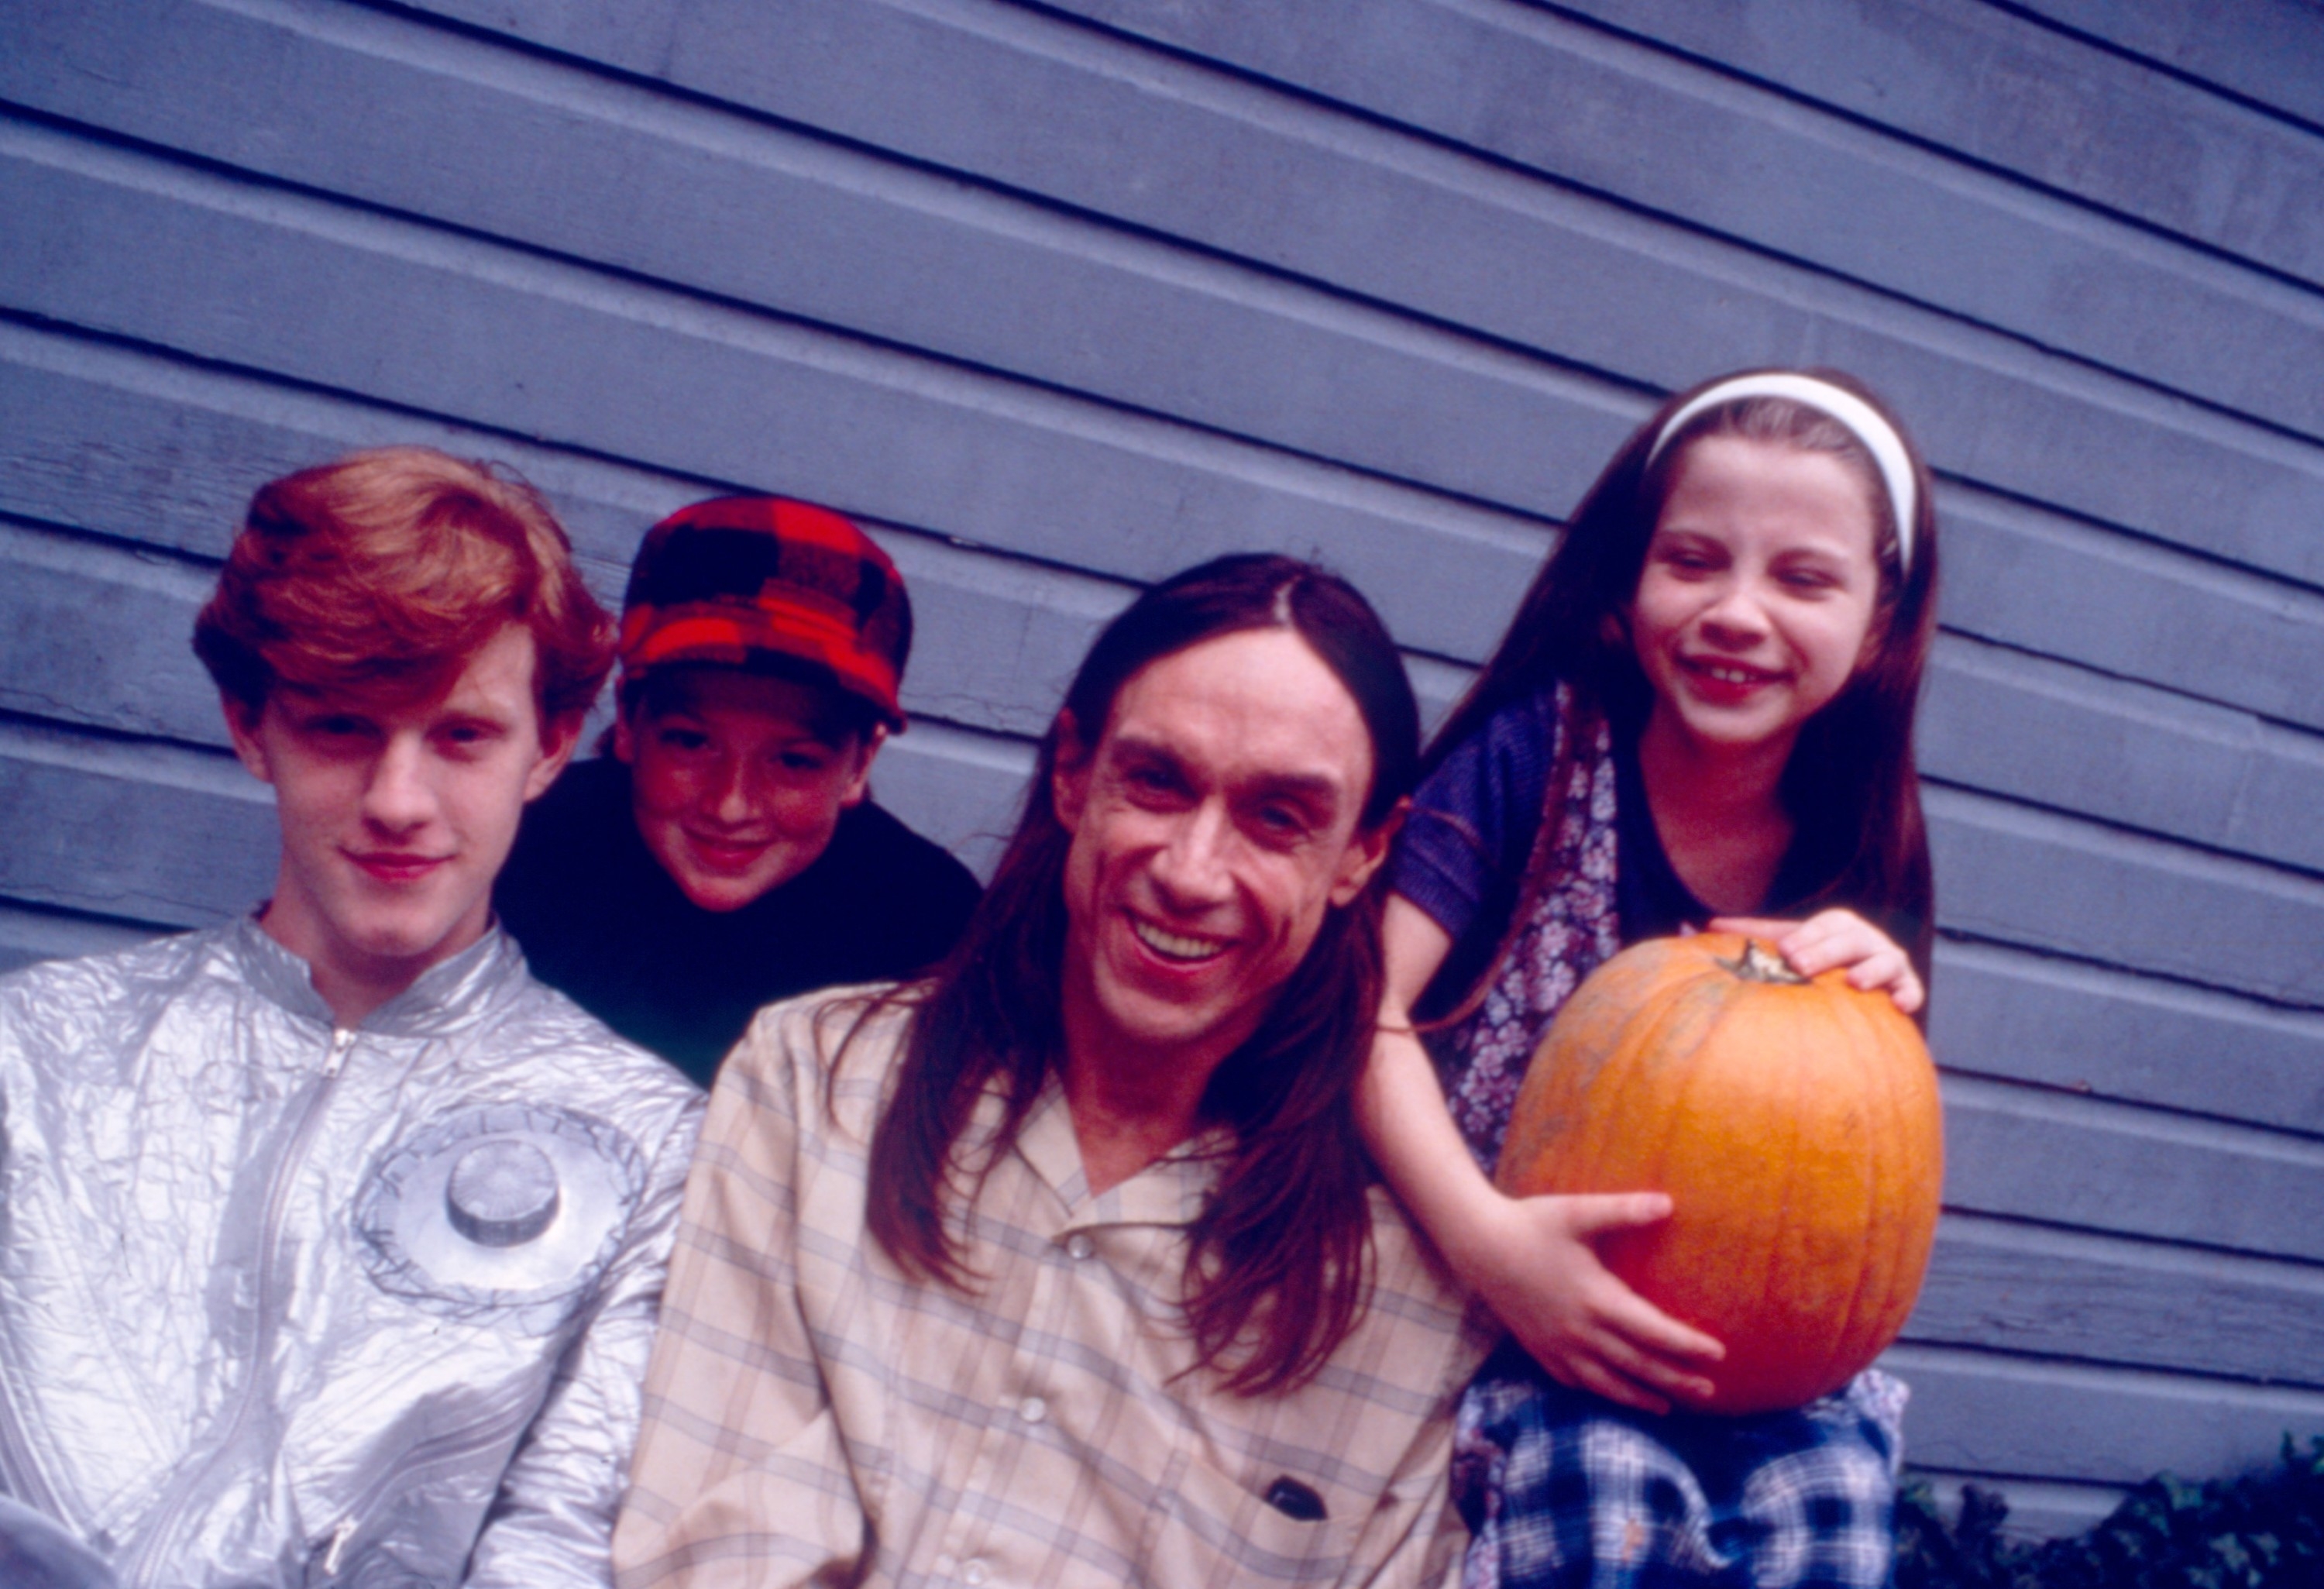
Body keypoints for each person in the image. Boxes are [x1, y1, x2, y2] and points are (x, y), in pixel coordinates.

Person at [612, 555, 1496, 1588]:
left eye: (1278, 817)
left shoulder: (1403, 1293)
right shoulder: (817, 1088)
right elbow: (714, 1543)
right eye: (1158, 782)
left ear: (1361, 853)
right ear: (1074, 772)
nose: (1191, 870)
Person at [0, 448, 703, 1587]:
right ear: (249, 725)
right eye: (340, 727)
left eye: (461, 735)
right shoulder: (34, 1052)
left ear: (554, 742)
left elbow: (566, 1542)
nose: (398, 800)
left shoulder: (648, 1143)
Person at [1360, 370, 1940, 1587]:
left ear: (1881, 620)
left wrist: (1885, 997)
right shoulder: (1540, 751)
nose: (1738, 611)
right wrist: (1492, 1243)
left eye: (1803, 576)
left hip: (1736, 1354)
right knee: (1601, 1499)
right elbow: (1364, 1004)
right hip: (1470, 1280)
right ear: (1627, 587)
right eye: (1694, 559)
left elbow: (1861, 1166)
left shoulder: (1853, 848)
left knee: (1830, 1502)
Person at [494, 495, 982, 1088]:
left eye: (794, 761)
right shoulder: (522, 848)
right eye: (691, 742)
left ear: (861, 763)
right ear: (627, 719)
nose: (731, 805)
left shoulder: (928, 929)